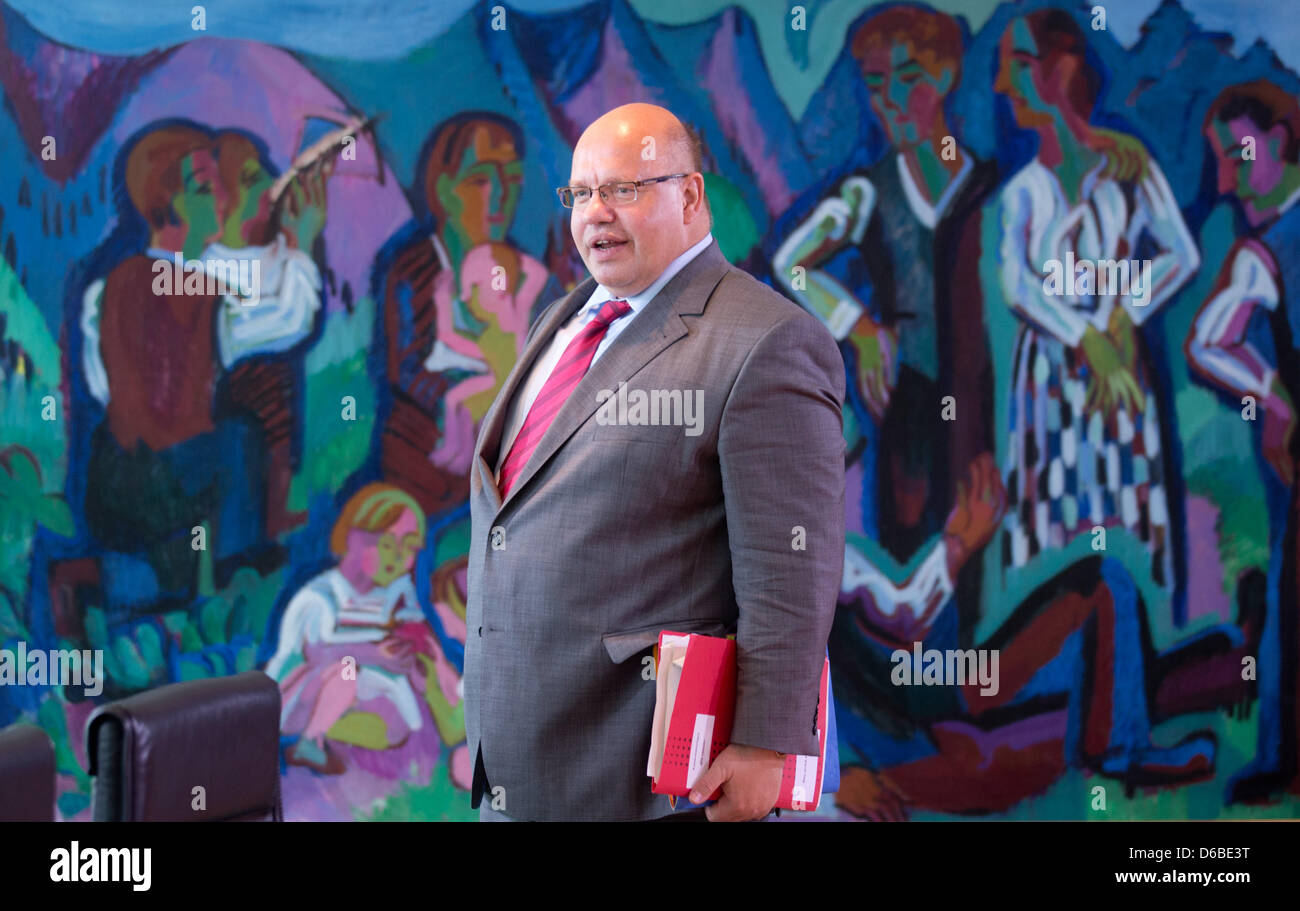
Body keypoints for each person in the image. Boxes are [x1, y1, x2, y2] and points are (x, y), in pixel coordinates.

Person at [464, 103, 846, 821]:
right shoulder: (569, 315)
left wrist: (764, 746)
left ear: (692, 197)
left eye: (624, 189)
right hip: (514, 771)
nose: (594, 214)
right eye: (580, 194)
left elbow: (793, 569)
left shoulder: (766, 343)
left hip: (642, 785)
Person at [772, 4, 998, 560]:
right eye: (876, 85)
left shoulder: (992, 192)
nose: (890, 100)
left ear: (945, 77)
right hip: (909, 406)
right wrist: (862, 328)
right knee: (914, 549)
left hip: (992, 405)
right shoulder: (866, 194)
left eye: (909, 79)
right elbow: (792, 265)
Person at [990, 10, 1200, 590]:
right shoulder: (1025, 191)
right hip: (1050, 376)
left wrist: (1121, 314)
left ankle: (1133, 643)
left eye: (1021, 66)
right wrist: (1085, 335)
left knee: (1126, 496)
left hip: (1122, 366)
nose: (1005, 84)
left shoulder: (1129, 166)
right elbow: (1019, 283)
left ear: (1062, 70)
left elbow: (1180, 253)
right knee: (1051, 511)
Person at [1186, 80, 1300, 803]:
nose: (1225, 177)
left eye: (1238, 154)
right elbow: (1207, 342)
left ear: (1282, 142)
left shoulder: (1272, 245)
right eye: (1221, 161)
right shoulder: (1264, 251)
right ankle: (1286, 758)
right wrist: (1275, 394)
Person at [264, 483, 465, 781]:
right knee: (348, 671)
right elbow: (317, 653)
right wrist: (375, 654)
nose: (398, 557)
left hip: (364, 690)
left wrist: (412, 648)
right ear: (353, 539)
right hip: (303, 694)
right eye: (387, 544)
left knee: (396, 724)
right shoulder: (321, 597)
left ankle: (338, 735)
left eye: (409, 547)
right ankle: (311, 740)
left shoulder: (397, 592)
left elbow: (413, 627)